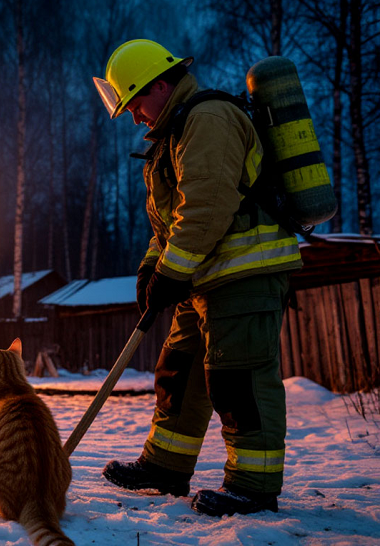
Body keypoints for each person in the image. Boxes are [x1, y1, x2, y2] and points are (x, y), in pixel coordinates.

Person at [93, 39, 303, 517]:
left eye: (137, 104)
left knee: (238, 379)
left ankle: (253, 484)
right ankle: (165, 465)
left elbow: (204, 210)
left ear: (161, 86)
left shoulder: (207, 122)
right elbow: (168, 224)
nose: (134, 117)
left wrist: (171, 272)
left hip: (244, 273)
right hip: (202, 277)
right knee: (178, 370)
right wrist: (152, 268)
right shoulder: (173, 134)